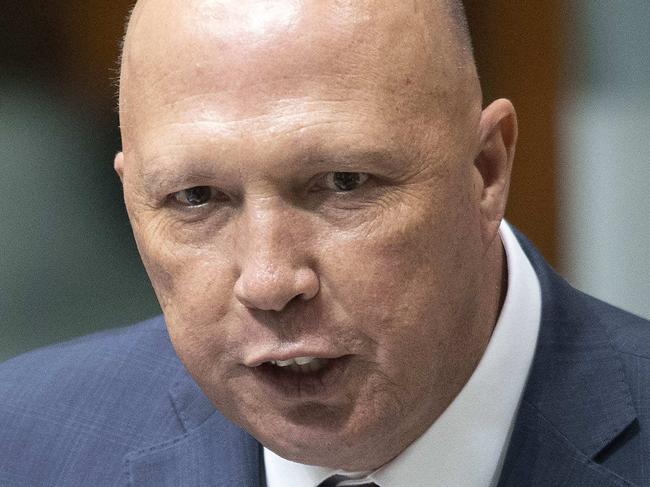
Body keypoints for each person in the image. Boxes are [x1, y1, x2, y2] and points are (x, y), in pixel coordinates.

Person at [1, 1, 649, 485]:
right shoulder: (25, 443)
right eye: (195, 197)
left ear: (486, 170)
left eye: (343, 183)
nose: (269, 279)